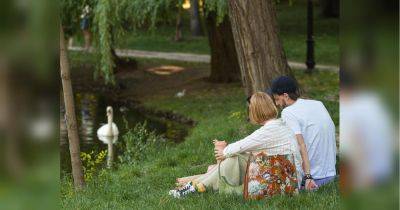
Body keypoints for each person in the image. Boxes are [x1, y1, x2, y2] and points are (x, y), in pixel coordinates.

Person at [169, 92, 302, 198]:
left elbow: (240, 146)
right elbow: (243, 148)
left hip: (284, 182)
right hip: (287, 176)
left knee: (234, 158)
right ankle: (197, 183)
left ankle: (196, 187)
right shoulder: (279, 125)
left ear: (255, 112)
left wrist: (223, 150)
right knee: (238, 156)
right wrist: (227, 151)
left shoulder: (268, 131)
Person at [268, 76, 337, 188]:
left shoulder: (288, 112)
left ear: (285, 96)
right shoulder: (318, 104)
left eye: (277, 99)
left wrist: (308, 176)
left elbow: (301, 145)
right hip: (330, 174)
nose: (277, 104)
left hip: (312, 180)